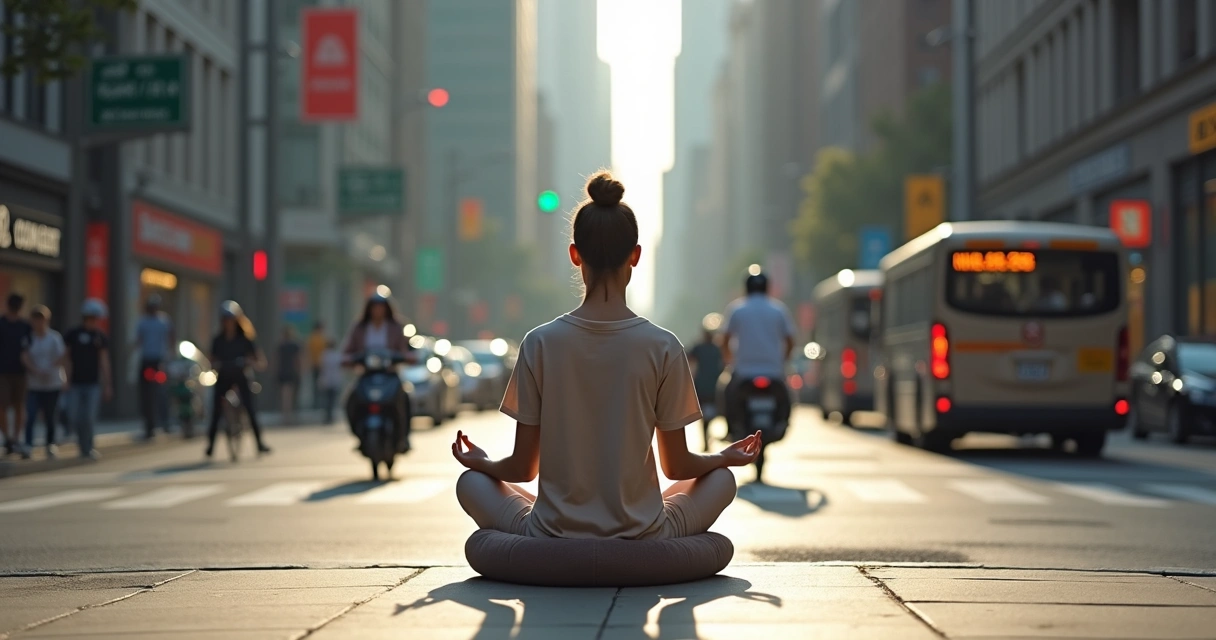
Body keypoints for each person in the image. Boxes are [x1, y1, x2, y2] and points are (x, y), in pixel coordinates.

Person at [453, 171, 761, 542]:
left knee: (471, 482)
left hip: (552, 534)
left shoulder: (539, 343)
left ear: (574, 254)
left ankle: (553, 533)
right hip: (643, 533)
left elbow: (522, 469)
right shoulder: (663, 346)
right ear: (635, 256)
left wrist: (483, 462)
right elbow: (677, 466)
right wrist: (724, 457)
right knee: (721, 480)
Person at [721, 270, 796, 482]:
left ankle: (729, 427)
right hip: (774, 374)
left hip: (743, 373)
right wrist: (782, 362)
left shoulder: (737, 309)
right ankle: (784, 421)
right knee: (788, 399)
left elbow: (724, 340)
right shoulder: (778, 309)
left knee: (725, 391)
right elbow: (790, 340)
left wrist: (729, 361)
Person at [342, 294, 414, 450]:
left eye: (381, 308)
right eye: (375, 308)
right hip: (367, 374)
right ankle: (359, 435)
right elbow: (348, 350)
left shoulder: (395, 327)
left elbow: (404, 349)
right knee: (351, 401)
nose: (378, 311)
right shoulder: (360, 327)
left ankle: (404, 437)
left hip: (389, 374)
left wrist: (406, 357)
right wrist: (348, 359)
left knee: (405, 399)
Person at [205, 301, 271, 458]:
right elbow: (211, 361)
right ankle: (211, 444)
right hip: (223, 378)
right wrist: (215, 364)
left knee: (250, 408)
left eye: (231, 318)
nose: (228, 322)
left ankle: (259, 443)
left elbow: (261, 362)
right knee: (216, 409)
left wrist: (251, 362)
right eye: (225, 319)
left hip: (241, 377)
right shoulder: (218, 340)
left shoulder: (245, 340)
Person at [63, 300, 112, 460]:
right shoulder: (73, 334)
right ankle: (81, 445)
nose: (94, 321)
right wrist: (66, 379)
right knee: (75, 416)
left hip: (93, 384)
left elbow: (104, 361)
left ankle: (88, 447)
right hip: (75, 383)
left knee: (89, 417)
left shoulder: (99, 337)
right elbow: (67, 358)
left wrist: (108, 384)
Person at [21, 306, 66, 459]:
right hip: (34, 383)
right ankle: (28, 444)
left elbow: (62, 356)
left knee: (50, 415)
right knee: (31, 414)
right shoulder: (29, 337)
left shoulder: (54, 337)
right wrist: (35, 370)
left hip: (52, 382)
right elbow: (24, 355)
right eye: (35, 320)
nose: (38, 323)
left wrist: (49, 370)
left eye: (41, 320)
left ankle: (50, 443)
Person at [133, 295, 173, 438]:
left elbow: (170, 339)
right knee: (146, 395)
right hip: (147, 361)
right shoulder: (143, 322)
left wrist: (169, 359)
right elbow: (138, 341)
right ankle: (149, 426)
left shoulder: (164, 321)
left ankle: (165, 422)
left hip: (159, 362)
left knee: (161, 392)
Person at [0, 293, 31, 457]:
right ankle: (7, 438)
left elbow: (29, 349)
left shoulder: (24, 326)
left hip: (20, 372)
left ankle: (16, 438)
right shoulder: (1, 323)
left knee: (20, 406)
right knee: (2, 407)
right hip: (2, 372)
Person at [687, 327, 725, 452]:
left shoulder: (702, 348)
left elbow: (686, 357)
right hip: (712, 387)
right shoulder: (716, 348)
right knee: (709, 415)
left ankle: (707, 440)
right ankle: (708, 439)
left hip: (708, 387)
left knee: (707, 416)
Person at [277, 326, 303, 425]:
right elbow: (298, 359)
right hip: (291, 372)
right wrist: (299, 370)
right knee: (289, 395)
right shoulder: (294, 346)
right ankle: (288, 415)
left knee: (285, 394)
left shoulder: (281, 345)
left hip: (283, 372)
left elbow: (276, 359)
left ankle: (286, 414)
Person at [318, 339, 343, 424]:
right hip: (334, 380)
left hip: (327, 380)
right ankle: (330, 416)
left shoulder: (324, 355)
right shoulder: (337, 355)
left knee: (327, 399)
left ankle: (327, 416)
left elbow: (322, 368)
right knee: (332, 400)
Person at [307, 322, 326, 409]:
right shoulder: (322, 339)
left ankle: (316, 404)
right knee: (321, 385)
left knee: (315, 385)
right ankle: (320, 404)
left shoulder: (311, 338)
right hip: (321, 365)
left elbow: (308, 352)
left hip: (314, 365)